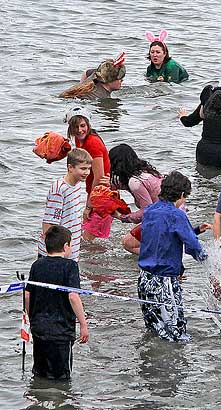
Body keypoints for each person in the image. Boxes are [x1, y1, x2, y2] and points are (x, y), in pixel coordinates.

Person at [137, 171, 209, 342]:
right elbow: (192, 245)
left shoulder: (150, 211)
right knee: (176, 332)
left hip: (144, 279)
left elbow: (166, 233)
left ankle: (149, 365)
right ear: (182, 195)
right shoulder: (177, 215)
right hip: (165, 281)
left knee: (154, 328)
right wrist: (209, 259)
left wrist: (196, 229)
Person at [26, 225, 90, 380]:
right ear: (66, 246)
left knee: (40, 373)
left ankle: (38, 399)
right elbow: (73, 296)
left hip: (39, 329)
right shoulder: (70, 266)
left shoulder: (37, 265)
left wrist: (31, 317)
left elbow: (27, 295)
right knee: (62, 377)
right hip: (61, 331)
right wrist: (83, 324)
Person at [64, 107, 113, 240]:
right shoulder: (80, 140)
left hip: (102, 195)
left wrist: (89, 206)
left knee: (87, 241)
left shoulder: (92, 143)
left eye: (82, 126)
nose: (79, 130)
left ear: (88, 124)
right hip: (98, 194)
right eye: (75, 127)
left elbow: (99, 177)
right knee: (91, 239)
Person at [38, 148, 92, 262]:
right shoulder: (59, 189)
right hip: (56, 253)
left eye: (88, 169)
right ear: (70, 168)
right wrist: (56, 255)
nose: (87, 172)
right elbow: (48, 225)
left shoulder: (77, 184)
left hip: (71, 249)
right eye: (83, 169)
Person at [108, 144, 163, 254]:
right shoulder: (146, 172)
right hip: (176, 213)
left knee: (128, 243)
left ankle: (159, 256)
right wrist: (112, 185)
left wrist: (122, 217)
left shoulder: (134, 182)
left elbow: (147, 211)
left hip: (162, 219)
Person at [178, 85, 221, 169]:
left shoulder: (210, 98)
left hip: (205, 151)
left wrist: (182, 116)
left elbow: (189, 122)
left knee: (202, 179)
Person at [59, 53, 126, 99]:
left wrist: (82, 85)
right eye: (120, 78)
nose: (122, 80)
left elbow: (86, 72)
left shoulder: (97, 76)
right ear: (109, 80)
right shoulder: (102, 97)